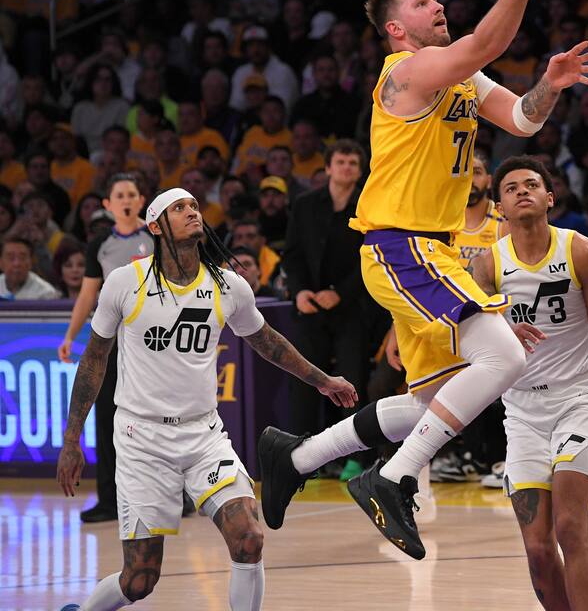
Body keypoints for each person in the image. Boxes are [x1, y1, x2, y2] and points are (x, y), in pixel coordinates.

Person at [341, 0, 588, 558]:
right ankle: (392, 477)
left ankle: (327, 462)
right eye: (422, 2)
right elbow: (486, 41)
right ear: (397, 28)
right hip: (401, 242)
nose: (437, 4)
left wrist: (551, 83)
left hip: (436, 249)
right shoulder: (408, 71)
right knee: (504, 359)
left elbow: (522, 119)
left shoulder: (458, 77)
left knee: (461, 381)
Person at [56, 188, 356, 611]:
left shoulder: (227, 284)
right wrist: (72, 440)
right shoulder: (125, 282)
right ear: (155, 226)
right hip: (142, 438)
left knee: (249, 540)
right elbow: (93, 360)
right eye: (179, 208)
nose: (191, 212)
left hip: (203, 435)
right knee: (139, 579)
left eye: (194, 205)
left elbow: (266, 341)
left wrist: (322, 380)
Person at [469, 156, 588, 610]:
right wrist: (499, 330)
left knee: (569, 528)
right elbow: (468, 344)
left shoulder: (583, 252)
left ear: (549, 197)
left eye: (531, 184)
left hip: (580, 400)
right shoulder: (486, 266)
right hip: (521, 411)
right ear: (498, 205)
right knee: (539, 550)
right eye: (511, 187)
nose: (522, 191)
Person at [57, 173, 154, 524]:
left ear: (141, 200)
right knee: (107, 419)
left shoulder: (155, 236)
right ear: (108, 205)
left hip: (151, 343)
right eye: (120, 195)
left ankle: (174, 496)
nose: (126, 200)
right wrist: (70, 337)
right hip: (111, 340)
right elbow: (87, 293)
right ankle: (109, 500)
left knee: (157, 418)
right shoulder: (100, 242)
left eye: (132, 194)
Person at [281, 140, 370, 468]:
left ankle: (353, 456)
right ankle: (305, 457)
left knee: (351, 379)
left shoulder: (368, 206)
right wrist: (299, 291)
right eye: (341, 162)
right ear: (329, 167)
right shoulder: (305, 205)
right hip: (310, 306)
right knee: (305, 378)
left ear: (359, 172)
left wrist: (341, 293)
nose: (346, 167)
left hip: (352, 307)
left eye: (352, 163)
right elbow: (292, 254)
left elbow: (371, 259)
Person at [0, 234, 60, 299]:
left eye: (22, 258)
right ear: (1, 263)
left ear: (31, 262)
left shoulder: (46, 293)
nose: (17, 264)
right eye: (11, 258)